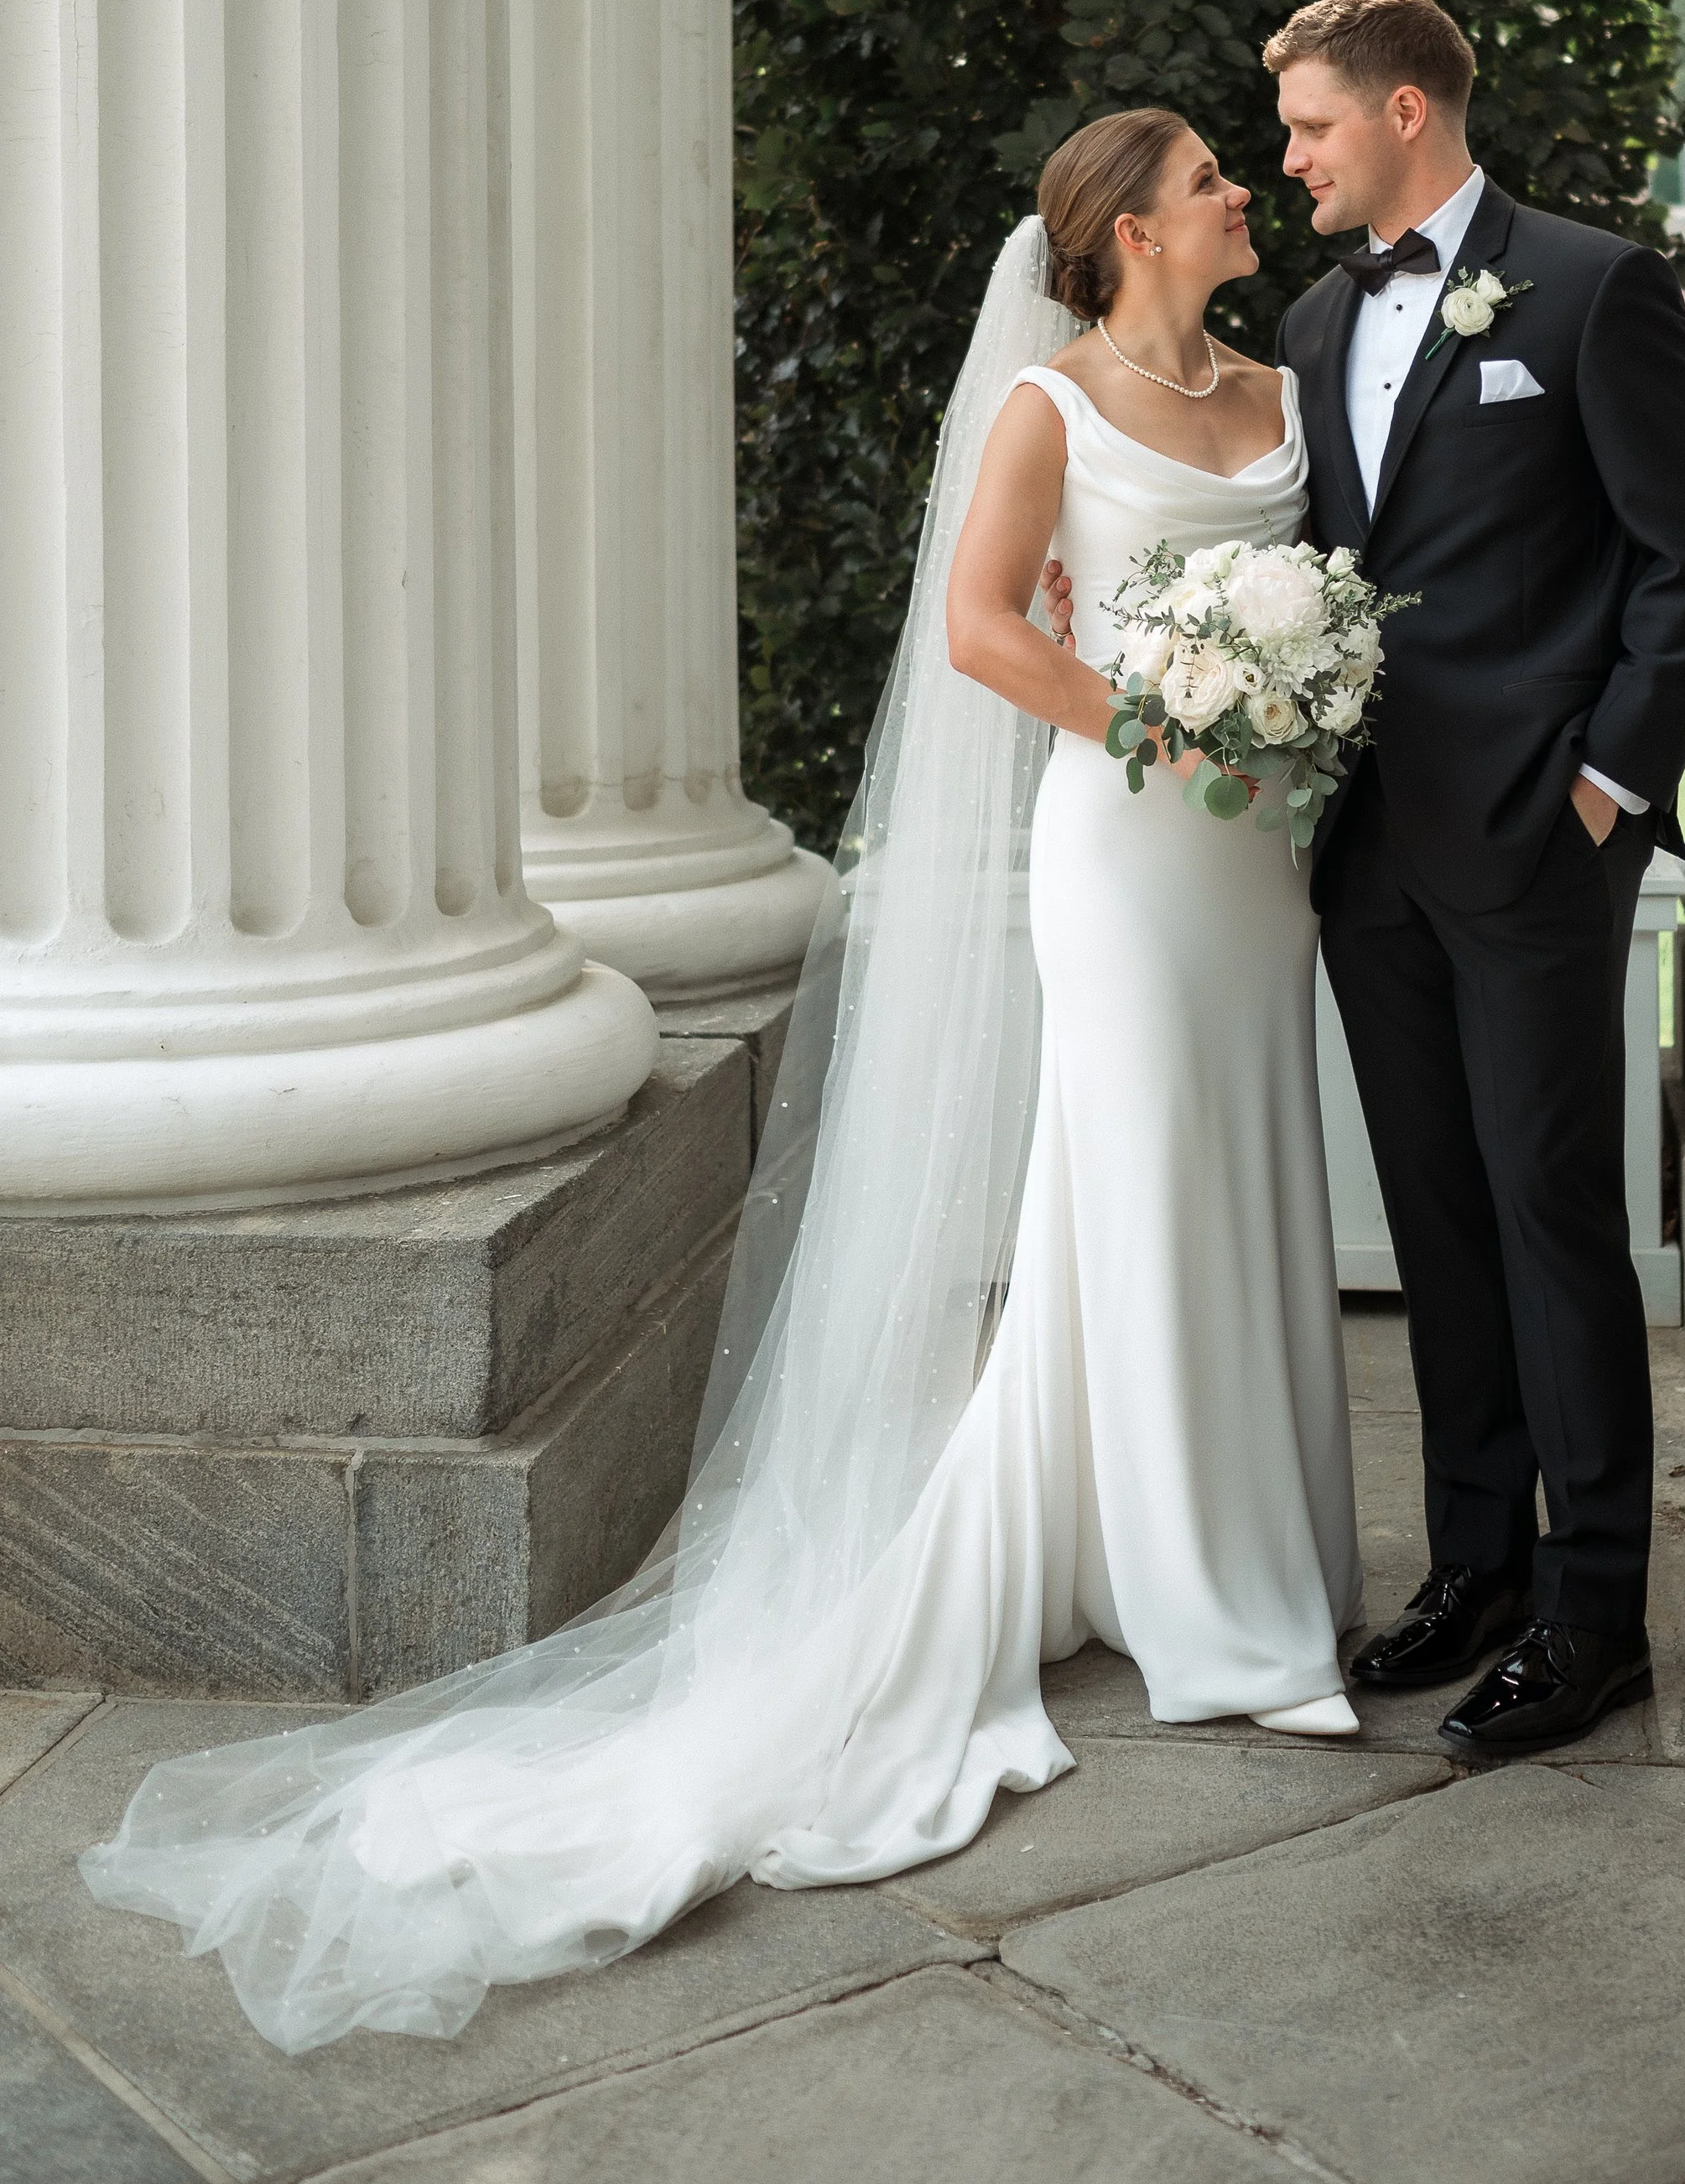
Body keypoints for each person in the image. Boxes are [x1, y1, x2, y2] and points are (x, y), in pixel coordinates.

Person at [79, 111, 1361, 2052]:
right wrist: (1168, 717)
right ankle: (1212, 1610)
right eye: (1204, 178)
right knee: (1130, 1172)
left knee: (1242, 1158)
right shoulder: (1044, 404)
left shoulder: (1276, 385)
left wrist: (1291, 700)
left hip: (1250, 855)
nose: (1236, 194)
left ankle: (1235, 1542)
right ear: (1119, 230)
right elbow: (980, 633)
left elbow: (1319, 594)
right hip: (1129, 842)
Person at [1269, 0, 1685, 1750]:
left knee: (1554, 1219)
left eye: (1311, 126)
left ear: (1404, 111)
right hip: (1375, 859)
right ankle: (1471, 1562)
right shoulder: (1319, 322)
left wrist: (1607, 787)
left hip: (1544, 846)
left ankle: (1592, 1608)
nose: (1291, 161)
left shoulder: (1589, 285)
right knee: (1436, 1216)